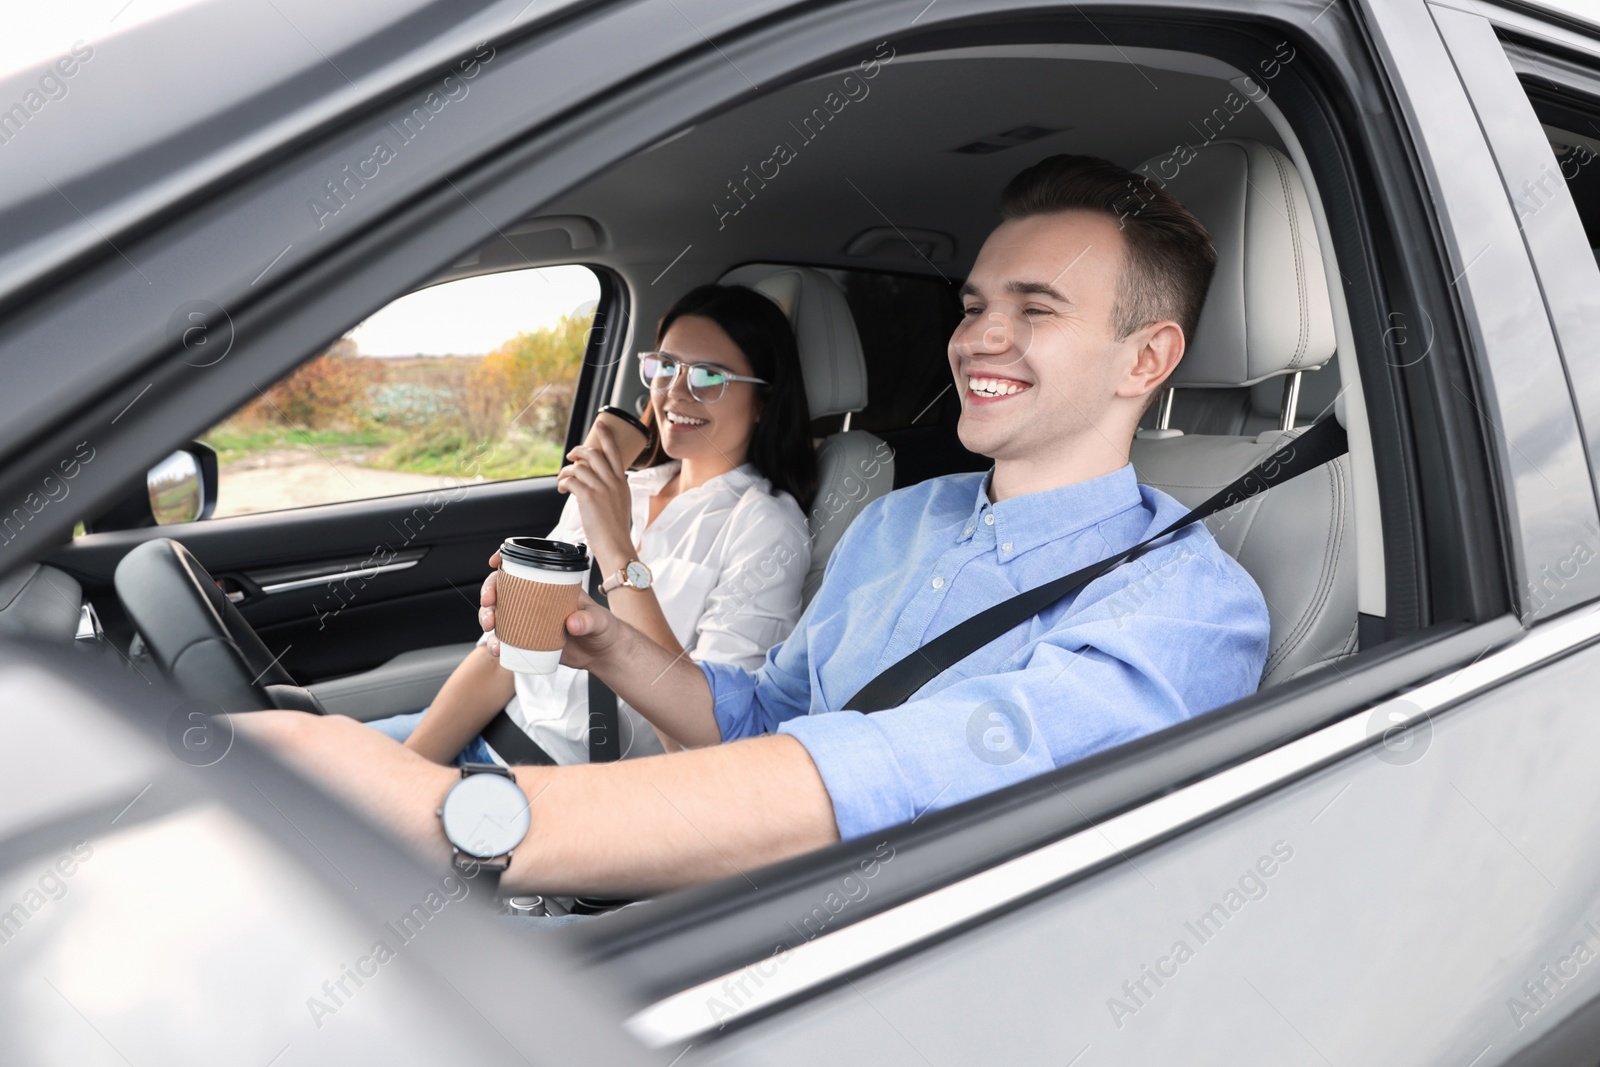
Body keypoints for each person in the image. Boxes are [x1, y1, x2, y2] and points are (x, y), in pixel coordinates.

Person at [241, 154, 1272, 898]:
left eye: (1034, 309)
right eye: (971, 304)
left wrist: (463, 817)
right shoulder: (898, 519)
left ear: (1144, 358)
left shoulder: (1183, 605)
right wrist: (603, 643)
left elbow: (913, 781)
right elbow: (761, 716)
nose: (978, 337)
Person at [368, 284, 816, 766]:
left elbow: (710, 743)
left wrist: (615, 544)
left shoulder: (765, 527)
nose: (674, 392)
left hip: (563, 785)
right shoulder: (623, 485)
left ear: (765, 401)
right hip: (484, 730)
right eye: (665, 367)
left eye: (710, 377)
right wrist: (410, 769)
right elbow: (503, 654)